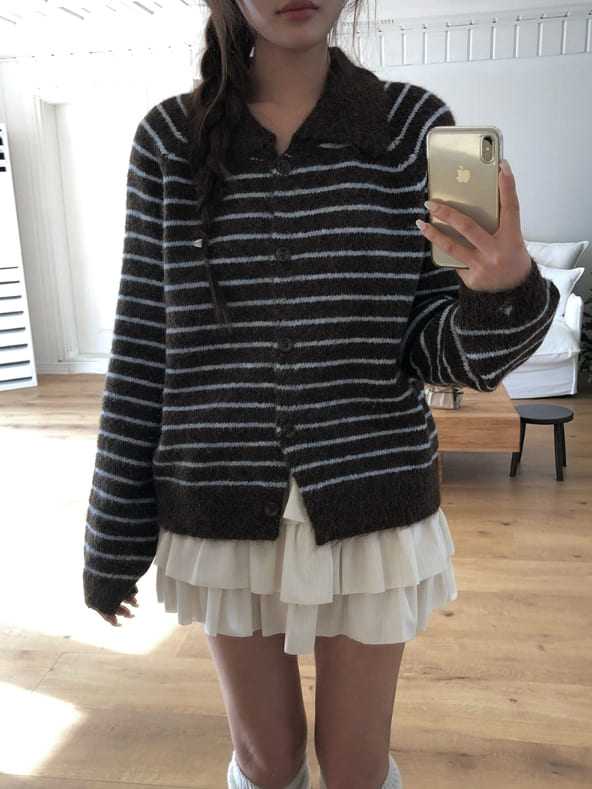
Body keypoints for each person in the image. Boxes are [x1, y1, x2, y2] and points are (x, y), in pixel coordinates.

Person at [83, 1, 558, 788]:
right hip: (220, 499)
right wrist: (112, 535)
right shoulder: (169, 140)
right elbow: (141, 344)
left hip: (372, 500)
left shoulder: (414, 128)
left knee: (353, 762)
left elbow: (445, 354)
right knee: (266, 758)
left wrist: (502, 287)